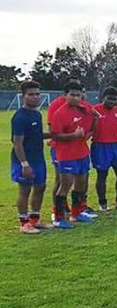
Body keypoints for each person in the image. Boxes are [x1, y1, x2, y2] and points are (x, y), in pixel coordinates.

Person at [50, 81, 98, 227]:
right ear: (65, 96)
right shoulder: (60, 113)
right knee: (65, 184)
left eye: (78, 95)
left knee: (81, 182)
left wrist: (95, 118)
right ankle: (58, 218)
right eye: (72, 95)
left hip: (82, 152)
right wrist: (73, 135)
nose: (76, 98)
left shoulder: (85, 109)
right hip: (67, 155)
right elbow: (55, 136)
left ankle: (77, 213)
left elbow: (91, 129)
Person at [11, 81, 50, 233]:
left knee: (40, 187)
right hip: (24, 160)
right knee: (25, 190)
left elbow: (38, 135)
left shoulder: (37, 114)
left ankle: (35, 219)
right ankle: (24, 223)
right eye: (31, 94)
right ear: (23, 96)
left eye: (37, 94)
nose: (35, 97)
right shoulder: (19, 117)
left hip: (38, 158)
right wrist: (24, 164)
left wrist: (57, 135)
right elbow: (17, 143)